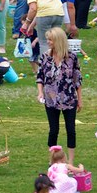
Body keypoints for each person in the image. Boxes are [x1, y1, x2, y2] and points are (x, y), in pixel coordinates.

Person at [35, 27, 82, 164]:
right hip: (50, 99)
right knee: (53, 129)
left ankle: (70, 162)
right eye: (48, 39)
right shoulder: (45, 57)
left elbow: (77, 79)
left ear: (58, 41)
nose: (48, 42)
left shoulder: (72, 57)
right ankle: (53, 160)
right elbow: (40, 77)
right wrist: (39, 93)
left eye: (51, 39)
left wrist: (80, 99)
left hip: (68, 98)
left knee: (71, 129)